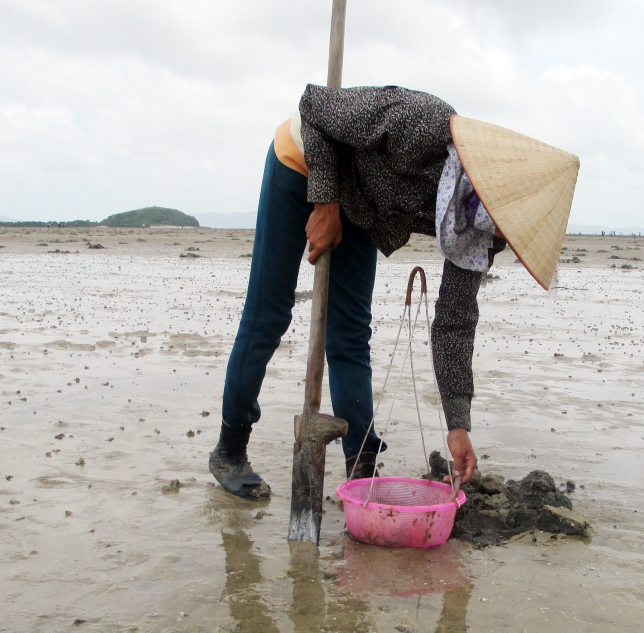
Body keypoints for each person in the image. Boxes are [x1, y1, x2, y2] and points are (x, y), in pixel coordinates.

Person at [209, 84, 579, 500]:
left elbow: (454, 324)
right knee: (269, 313)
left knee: (349, 334)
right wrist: (326, 203)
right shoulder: (422, 122)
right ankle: (230, 449)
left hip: (363, 209)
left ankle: (361, 470)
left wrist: (458, 426)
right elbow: (314, 108)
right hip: (303, 164)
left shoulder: (480, 227)